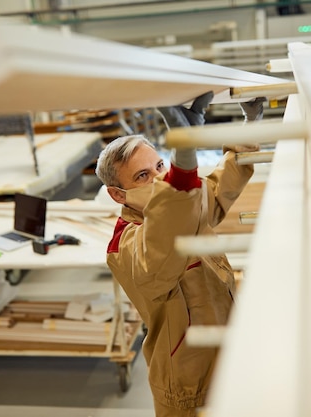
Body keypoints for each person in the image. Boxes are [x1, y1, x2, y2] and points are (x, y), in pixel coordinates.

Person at [95, 92, 263, 417]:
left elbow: (217, 188)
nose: (159, 178)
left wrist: (250, 125)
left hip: (228, 345)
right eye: (143, 176)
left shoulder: (184, 204)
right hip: (188, 380)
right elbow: (164, 236)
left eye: (159, 165)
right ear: (118, 194)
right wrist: (183, 158)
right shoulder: (125, 246)